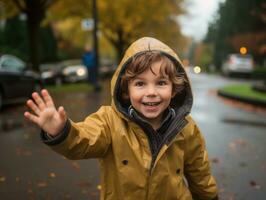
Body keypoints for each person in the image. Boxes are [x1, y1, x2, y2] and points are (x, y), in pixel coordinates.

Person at [24, 37, 218, 200]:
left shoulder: (186, 128)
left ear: (174, 89)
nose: (151, 92)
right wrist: (62, 131)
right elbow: (83, 140)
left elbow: (200, 173)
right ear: (126, 89)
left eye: (161, 83)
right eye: (140, 84)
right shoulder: (109, 122)